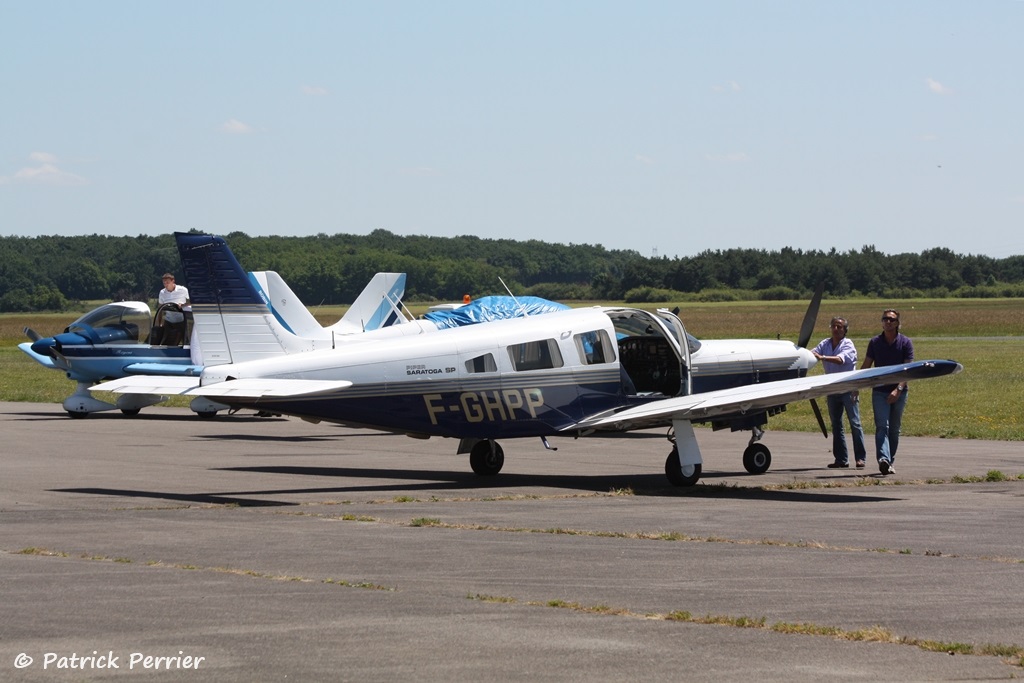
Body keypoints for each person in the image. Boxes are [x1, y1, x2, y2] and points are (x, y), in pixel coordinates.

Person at [861, 309, 914, 475]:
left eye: (892, 320)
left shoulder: (905, 342)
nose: (888, 322)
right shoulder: (875, 342)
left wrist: (898, 390)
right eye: (885, 319)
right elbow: (866, 365)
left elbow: (908, 370)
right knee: (882, 426)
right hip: (879, 391)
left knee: (894, 429)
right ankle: (883, 459)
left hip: (899, 390)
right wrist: (854, 385)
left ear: (898, 323)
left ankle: (890, 461)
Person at [812, 317, 867, 469]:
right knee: (836, 425)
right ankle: (841, 459)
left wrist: (822, 358)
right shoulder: (825, 343)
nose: (836, 329)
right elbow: (812, 353)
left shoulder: (848, 344)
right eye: (834, 326)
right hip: (832, 389)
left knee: (855, 423)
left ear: (845, 330)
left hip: (848, 388)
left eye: (839, 327)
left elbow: (840, 359)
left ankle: (861, 458)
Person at [157, 273, 190, 346]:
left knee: (185, 342)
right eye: (164, 283)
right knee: (166, 342)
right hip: (168, 321)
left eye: (168, 283)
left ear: (173, 281)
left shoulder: (183, 290)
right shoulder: (162, 292)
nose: (166, 285)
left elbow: (192, 302)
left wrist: (183, 305)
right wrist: (160, 323)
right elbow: (160, 308)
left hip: (181, 320)